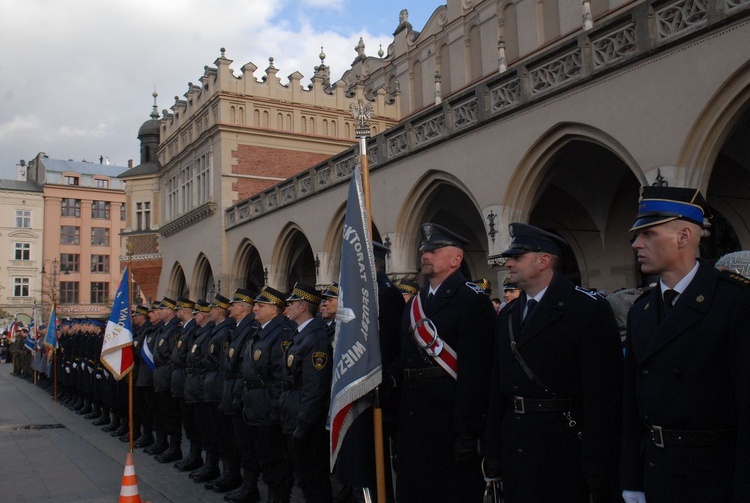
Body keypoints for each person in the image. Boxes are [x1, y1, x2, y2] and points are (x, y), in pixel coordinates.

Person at [621, 186, 750, 503]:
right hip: (657, 472)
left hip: (713, 479)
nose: (637, 244)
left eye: (648, 234)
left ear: (683, 236)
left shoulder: (735, 302)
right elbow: (631, 406)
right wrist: (631, 480)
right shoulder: (642, 310)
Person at [483, 222, 623, 503]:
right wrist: (493, 452)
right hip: (517, 448)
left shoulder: (586, 309)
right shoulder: (509, 314)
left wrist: (598, 464)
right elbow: (498, 388)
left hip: (563, 448)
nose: (508, 263)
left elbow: (603, 395)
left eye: (517, 257)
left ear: (544, 261)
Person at [397, 223, 496, 502]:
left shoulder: (471, 300)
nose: (426, 254)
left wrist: (467, 430)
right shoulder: (414, 304)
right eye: (424, 250)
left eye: (435, 250)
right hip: (414, 416)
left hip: (449, 418)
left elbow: (476, 373)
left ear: (456, 259)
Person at [241, 286, 295, 503]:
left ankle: (279, 497)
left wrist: (274, 405)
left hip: (268, 407)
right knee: (262, 456)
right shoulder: (260, 331)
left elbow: (281, 374)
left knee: (275, 458)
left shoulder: (280, 333)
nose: (255, 309)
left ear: (274, 310)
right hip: (256, 404)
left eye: (260, 305)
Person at [280, 283, 333, 503]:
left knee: (313, 477)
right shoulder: (301, 334)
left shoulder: (315, 339)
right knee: (305, 477)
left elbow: (315, 388)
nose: (288, 307)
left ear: (303, 307)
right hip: (294, 412)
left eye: (291, 303)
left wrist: (303, 424)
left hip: (306, 419)